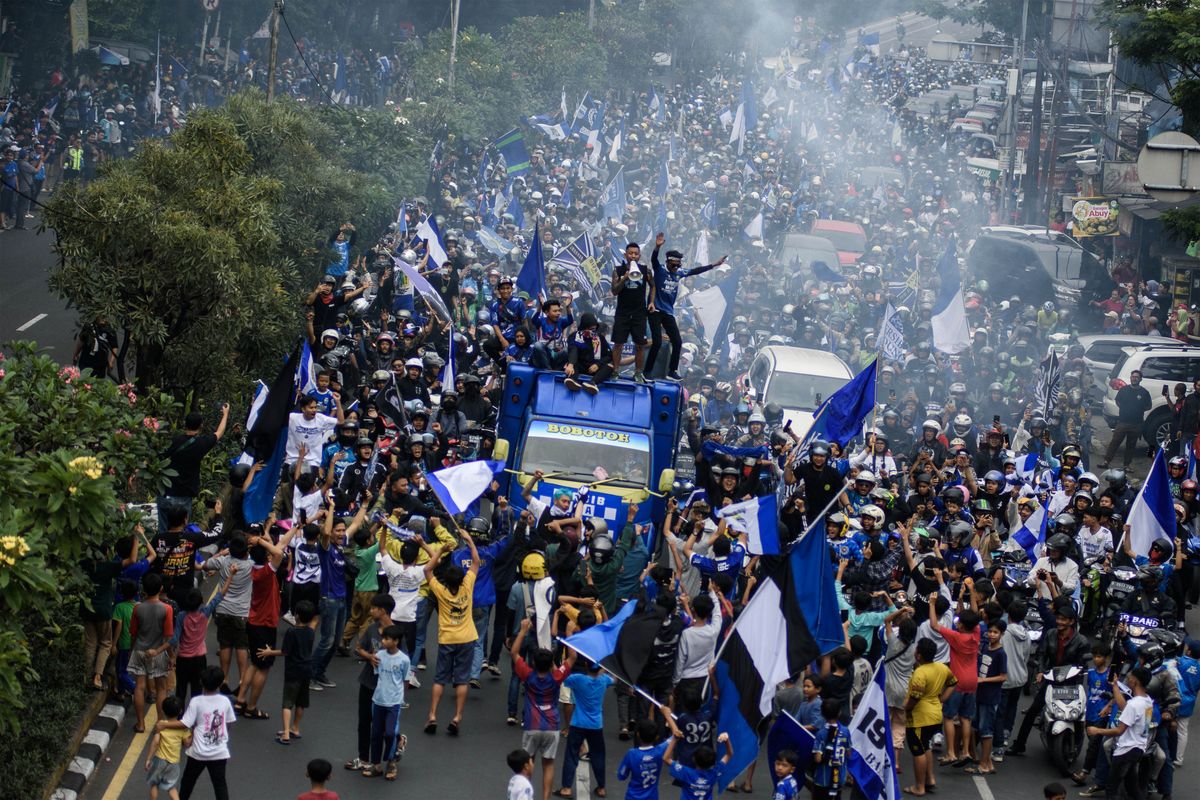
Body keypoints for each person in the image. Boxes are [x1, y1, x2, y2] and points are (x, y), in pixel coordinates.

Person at [423, 526, 480, 735]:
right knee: (462, 679)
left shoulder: (440, 590)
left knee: (440, 679)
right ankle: (457, 717)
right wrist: (469, 541)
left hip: (447, 638)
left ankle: (432, 715)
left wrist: (440, 551)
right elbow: (476, 562)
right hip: (466, 638)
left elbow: (427, 570)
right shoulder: (467, 586)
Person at [511, 616, 576, 800]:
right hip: (552, 726)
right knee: (548, 764)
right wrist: (569, 634)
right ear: (550, 664)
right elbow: (572, 657)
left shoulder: (528, 675)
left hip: (531, 724)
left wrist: (523, 630)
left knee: (526, 764)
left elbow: (515, 653)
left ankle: (525, 796)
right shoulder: (556, 677)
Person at [646, 232, 726, 380]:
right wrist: (657, 247)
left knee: (677, 341)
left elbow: (696, 271)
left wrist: (714, 265)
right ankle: (647, 372)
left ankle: (672, 371)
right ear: (668, 262)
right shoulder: (660, 270)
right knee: (656, 342)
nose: (677, 267)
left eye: (678, 265)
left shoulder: (679, 273)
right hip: (655, 310)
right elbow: (653, 260)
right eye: (674, 265)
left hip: (668, 312)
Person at [157, 665, 236, 800]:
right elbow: (228, 723)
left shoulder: (196, 701)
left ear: (201, 682)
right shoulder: (225, 701)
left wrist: (164, 724)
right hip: (219, 752)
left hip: (198, 752)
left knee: (188, 782)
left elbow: (184, 723)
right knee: (220, 785)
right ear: (221, 683)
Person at [159, 406, 230, 534]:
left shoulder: (174, 441)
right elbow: (219, 432)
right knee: (180, 535)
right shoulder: (201, 444)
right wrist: (225, 414)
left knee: (163, 534)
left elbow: (157, 456)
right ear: (201, 425)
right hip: (183, 497)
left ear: (185, 424)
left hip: (165, 493)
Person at [1086, 666, 1153, 800]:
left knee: (1111, 789)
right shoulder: (1147, 701)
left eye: (1130, 678)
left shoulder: (1135, 704)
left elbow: (1119, 730)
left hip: (1125, 751)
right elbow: (1125, 708)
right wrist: (1115, 686)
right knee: (1132, 787)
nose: (1127, 679)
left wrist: (1097, 730)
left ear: (1135, 682)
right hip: (1138, 748)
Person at [257, 599, 317, 745]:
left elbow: (285, 652)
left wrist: (269, 652)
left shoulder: (292, 632)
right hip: (307, 670)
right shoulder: (310, 632)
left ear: (296, 616)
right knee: (301, 702)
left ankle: (285, 734)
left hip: (293, 670)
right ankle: (295, 728)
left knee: (287, 703)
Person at [904, 638, 957, 796]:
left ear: (918, 655)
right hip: (935, 714)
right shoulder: (941, 667)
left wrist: (905, 709)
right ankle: (930, 779)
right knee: (926, 746)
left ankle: (919, 787)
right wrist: (941, 699)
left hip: (920, 718)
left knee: (917, 751)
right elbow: (953, 682)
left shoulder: (920, 673)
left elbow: (915, 697)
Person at [559, 659, 616, 798]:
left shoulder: (577, 679)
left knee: (571, 754)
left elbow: (562, 678)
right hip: (596, 724)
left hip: (578, 723)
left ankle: (566, 788)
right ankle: (601, 788)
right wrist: (605, 669)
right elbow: (614, 679)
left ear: (585, 666)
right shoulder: (604, 680)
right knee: (598, 755)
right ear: (599, 669)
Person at [129, 572, 174, 733]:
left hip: (140, 650)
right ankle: (160, 723)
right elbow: (168, 636)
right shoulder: (167, 609)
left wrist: (132, 651)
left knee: (139, 687)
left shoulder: (137, 608)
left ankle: (140, 724)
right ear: (161, 588)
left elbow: (133, 633)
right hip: (158, 652)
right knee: (161, 688)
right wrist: (171, 656)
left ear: (144, 590)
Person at [367, 624, 411, 780]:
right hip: (378, 700)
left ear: (396, 641)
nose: (383, 641)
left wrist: (402, 699)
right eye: (383, 638)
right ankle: (376, 765)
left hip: (394, 702)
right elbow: (378, 674)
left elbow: (406, 679)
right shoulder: (379, 655)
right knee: (376, 733)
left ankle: (391, 761)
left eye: (387, 639)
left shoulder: (404, 659)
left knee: (390, 733)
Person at [610, 242, 656, 383]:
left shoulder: (645, 270)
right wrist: (625, 277)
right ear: (626, 255)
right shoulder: (617, 270)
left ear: (639, 255)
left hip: (639, 313)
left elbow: (653, 286)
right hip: (622, 313)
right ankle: (615, 371)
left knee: (639, 345)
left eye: (636, 254)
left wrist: (651, 302)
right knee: (618, 344)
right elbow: (614, 291)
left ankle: (637, 373)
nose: (633, 256)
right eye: (631, 253)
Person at [1101, 369, 1152, 470]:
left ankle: (1126, 465)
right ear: (1130, 378)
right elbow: (1118, 401)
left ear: (1140, 379)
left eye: (1137, 377)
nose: (1134, 379)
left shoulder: (1144, 392)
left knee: (1131, 445)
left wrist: (1137, 410)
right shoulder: (1124, 390)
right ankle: (1106, 461)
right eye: (1133, 377)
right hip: (1123, 422)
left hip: (1136, 423)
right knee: (1115, 442)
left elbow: (1148, 406)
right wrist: (1126, 410)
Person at [663, 729, 732, 800]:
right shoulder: (715, 772)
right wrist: (726, 740)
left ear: (694, 759)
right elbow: (729, 754)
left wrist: (674, 739)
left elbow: (666, 758)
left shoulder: (686, 772)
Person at [144, 695, 189, 800]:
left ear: (163, 711)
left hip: (160, 760)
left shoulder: (161, 724)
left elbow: (155, 741)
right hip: (174, 763)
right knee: (171, 787)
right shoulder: (183, 729)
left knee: (154, 784)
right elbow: (187, 743)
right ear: (180, 711)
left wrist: (148, 759)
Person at [617, 719, 671, 800]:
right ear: (657, 737)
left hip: (633, 797)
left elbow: (621, 776)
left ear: (638, 734)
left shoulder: (631, 754)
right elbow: (674, 736)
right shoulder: (660, 751)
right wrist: (668, 716)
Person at [812, 698, 852, 800]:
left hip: (823, 778)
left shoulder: (821, 733)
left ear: (822, 713)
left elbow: (818, 759)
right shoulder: (845, 731)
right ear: (839, 712)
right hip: (839, 777)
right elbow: (848, 752)